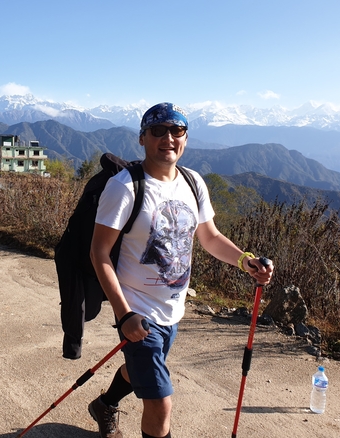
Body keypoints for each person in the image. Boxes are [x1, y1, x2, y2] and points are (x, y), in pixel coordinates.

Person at [88, 103, 274, 438]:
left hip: (173, 311)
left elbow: (211, 237)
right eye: (158, 130)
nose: (168, 138)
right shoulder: (124, 188)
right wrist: (124, 314)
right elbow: (99, 252)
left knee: (140, 369)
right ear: (143, 138)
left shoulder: (193, 181)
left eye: (177, 130)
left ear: (186, 138)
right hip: (138, 311)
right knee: (161, 403)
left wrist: (244, 260)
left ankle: (104, 405)